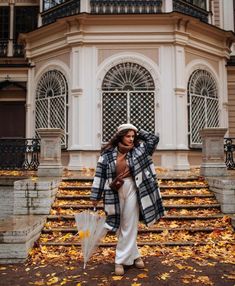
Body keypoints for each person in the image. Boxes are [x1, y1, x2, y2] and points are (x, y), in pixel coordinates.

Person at [90, 123, 164, 276]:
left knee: (129, 223)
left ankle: (119, 260)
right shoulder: (107, 154)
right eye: (128, 136)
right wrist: (95, 196)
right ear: (120, 136)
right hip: (113, 191)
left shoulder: (140, 150)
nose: (131, 139)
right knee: (119, 225)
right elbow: (100, 176)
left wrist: (137, 130)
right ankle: (135, 256)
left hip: (133, 189)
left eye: (133, 136)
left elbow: (153, 139)